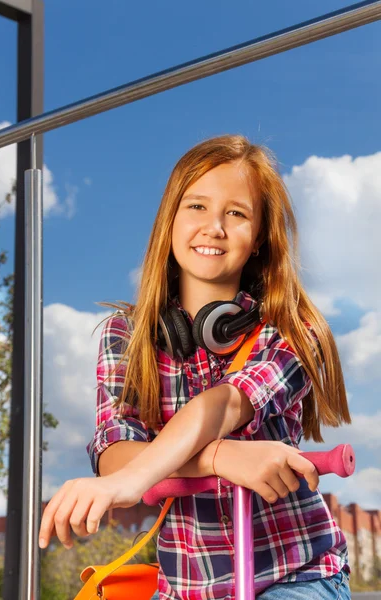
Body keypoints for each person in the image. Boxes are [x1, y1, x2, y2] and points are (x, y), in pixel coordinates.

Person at [39, 135, 352, 599]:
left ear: (261, 236)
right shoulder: (125, 336)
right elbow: (115, 451)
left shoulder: (290, 326)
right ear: (170, 219)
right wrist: (222, 458)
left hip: (295, 570)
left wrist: (142, 475)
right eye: (197, 206)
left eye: (237, 213)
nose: (215, 227)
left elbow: (227, 403)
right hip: (187, 585)